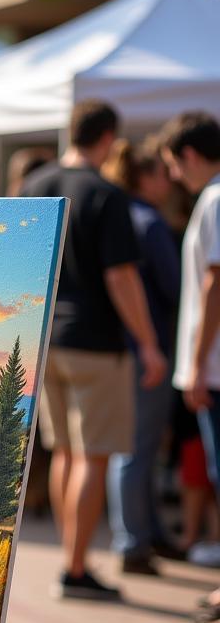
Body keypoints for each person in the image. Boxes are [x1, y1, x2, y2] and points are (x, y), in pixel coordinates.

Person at [22, 100, 166, 601]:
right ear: (107, 138)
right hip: (96, 344)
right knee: (92, 457)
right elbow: (121, 275)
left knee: (64, 453)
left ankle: (72, 558)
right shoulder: (106, 193)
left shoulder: (35, 184)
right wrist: (148, 344)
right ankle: (76, 567)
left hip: (47, 340)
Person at [101, 137, 182, 575]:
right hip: (147, 349)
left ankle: (141, 534)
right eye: (163, 174)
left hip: (121, 349)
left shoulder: (122, 216)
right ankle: (133, 541)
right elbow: (176, 287)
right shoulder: (149, 222)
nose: (169, 183)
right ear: (146, 176)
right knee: (137, 450)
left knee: (131, 449)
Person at [162, 110, 220, 623]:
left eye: (175, 165)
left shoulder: (216, 199)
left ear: (191, 155)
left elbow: (214, 286)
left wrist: (199, 366)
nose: (175, 176)